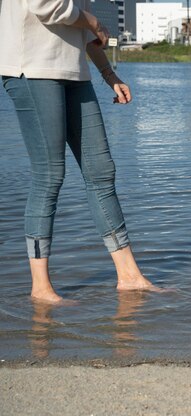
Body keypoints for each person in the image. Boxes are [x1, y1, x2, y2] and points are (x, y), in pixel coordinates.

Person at [0, 0, 158, 303]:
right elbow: (46, 5)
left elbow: (81, 30)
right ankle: (41, 289)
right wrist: (94, 22)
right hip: (31, 69)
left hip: (73, 72)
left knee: (101, 172)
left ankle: (130, 277)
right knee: (49, 175)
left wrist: (109, 75)